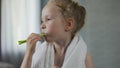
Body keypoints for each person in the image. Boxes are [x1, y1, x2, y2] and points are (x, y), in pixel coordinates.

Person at [21, 0, 94, 68]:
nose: (42, 26)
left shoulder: (84, 58)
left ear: (68, 24)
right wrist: (29, 53)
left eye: (48, 19)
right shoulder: (39, 53)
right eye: (42, 21)